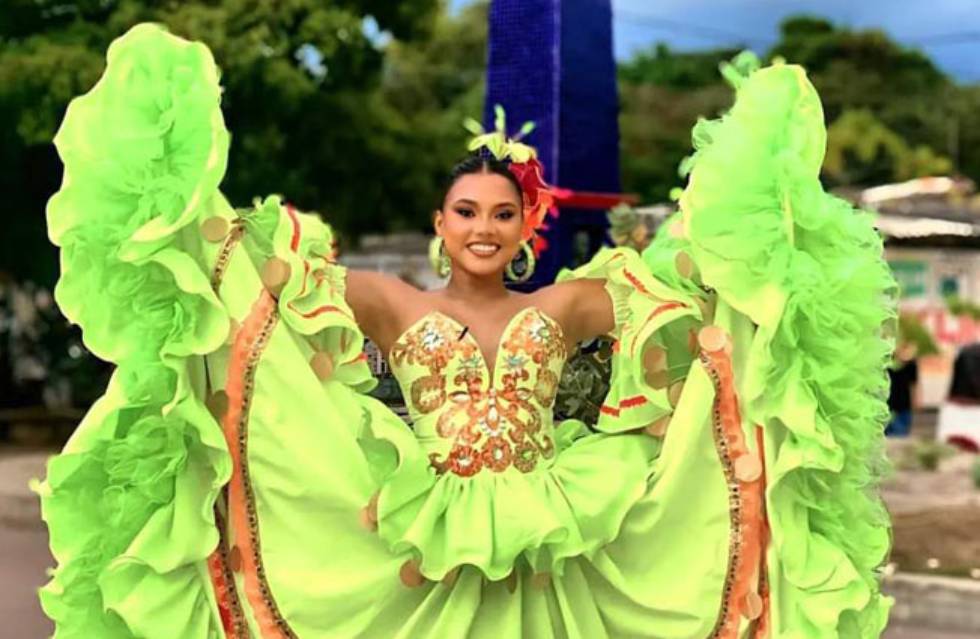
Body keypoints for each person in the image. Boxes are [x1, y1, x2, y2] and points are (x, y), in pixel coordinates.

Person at [36, 26, 897, 638]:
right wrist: (190, 230)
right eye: (466, 211)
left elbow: (696, 303)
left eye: (503, 213)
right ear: (439, 222)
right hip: (421, 541)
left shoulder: (565, 305)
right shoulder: (386, 300)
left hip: (554, 539)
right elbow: (264, 303)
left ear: (529, 229)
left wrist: (755, 216)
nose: (483, 228)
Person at [886, 341, 919, 437]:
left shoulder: (911, 364)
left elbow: (914, 384)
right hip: (888, 406)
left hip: (904, 406)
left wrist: (916, 400)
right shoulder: (887, 362)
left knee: (901, 435)